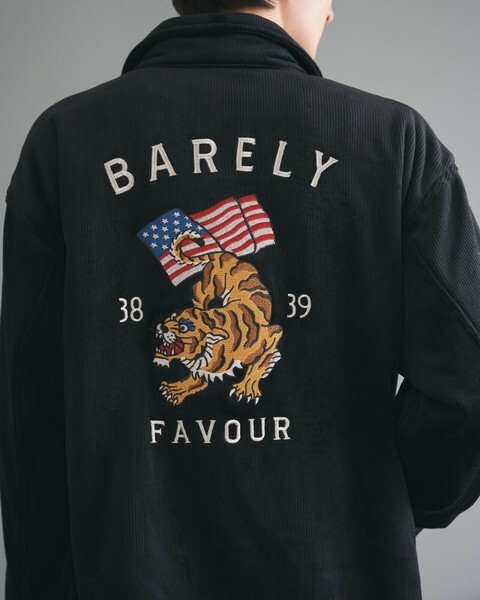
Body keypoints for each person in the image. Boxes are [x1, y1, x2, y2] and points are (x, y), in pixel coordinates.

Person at [1, 0, 479, 598]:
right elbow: (469, 386)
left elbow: (27, 414)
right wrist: (384, 507)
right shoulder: (393, 141)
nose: (331, 13)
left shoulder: (63, 142)